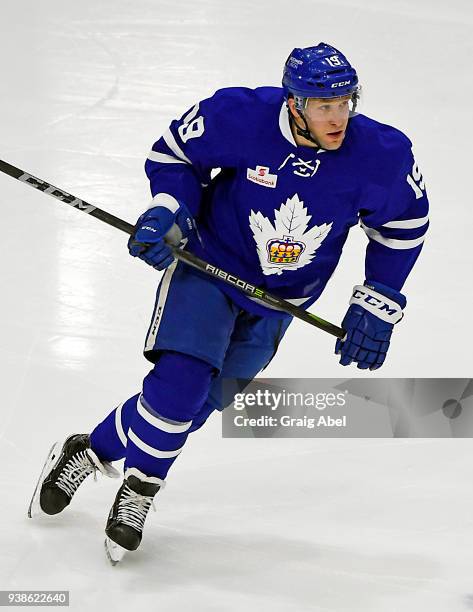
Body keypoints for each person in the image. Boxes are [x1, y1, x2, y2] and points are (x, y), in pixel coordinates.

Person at [28, 43, 429, 563]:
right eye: (323, 105)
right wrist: (169, 209)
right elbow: (174, 155)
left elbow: (402, 226)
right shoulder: (239, 116)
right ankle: (140, 490)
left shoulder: (382, 154)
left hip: (281, 301)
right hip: (208, 268)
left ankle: (90, 451)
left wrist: (379, 296)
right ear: (293, 103)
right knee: (178, 389)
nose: (338, 117)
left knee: (189, 412)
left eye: (346, 102)